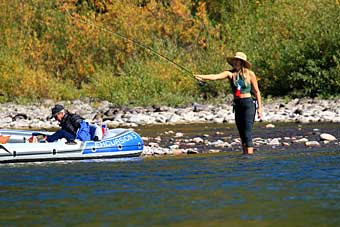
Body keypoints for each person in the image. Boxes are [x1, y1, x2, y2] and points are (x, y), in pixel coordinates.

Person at [195, 52, 263, 154]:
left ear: (242, 62)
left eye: (237, 61)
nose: (235, 63)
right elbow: (215, 77)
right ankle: (245, 156)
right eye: (234, 61)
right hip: (237, 104)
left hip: (248, 104)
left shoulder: (250, 74)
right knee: (241, 133)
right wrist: (201, 76)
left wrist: (260, 108)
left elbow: (257, 91)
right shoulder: (230, 74)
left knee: (247, 132)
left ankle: (249, 158)